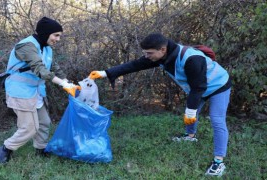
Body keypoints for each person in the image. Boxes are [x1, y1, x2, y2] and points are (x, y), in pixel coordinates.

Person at [89, 33, 231, 176]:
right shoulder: (162, 56)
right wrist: (106, 73)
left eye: (149, 53)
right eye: (145, 53)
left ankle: (219, 162)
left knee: (216, 120)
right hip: (197, 87)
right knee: (190, 109)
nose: (146, 56)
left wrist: (191, 111)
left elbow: (199, 87)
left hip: (218, 86)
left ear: (162, 49)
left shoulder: (192, 59)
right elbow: (135, 65)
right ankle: (190, 136)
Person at [0, 17, 80, 164]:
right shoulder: (26, 46)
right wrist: (63, 84)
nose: (58, 39)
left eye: (59, 35)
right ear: (46, 33)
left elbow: (53, 67)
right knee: (29, 128)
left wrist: (67, 82)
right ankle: (5, 149)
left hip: (35, 92)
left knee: (44, 122)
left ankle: (40, 149)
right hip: (20, 92)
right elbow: (40, 69)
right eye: (56, 35)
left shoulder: (46, 48)